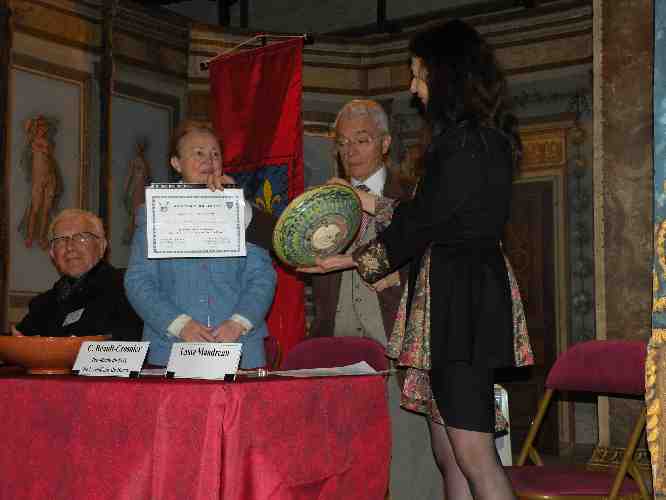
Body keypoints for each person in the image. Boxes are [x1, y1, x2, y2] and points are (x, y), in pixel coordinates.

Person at [300, 20, 523, 499]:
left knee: (474, 456)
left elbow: (424, 223)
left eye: (418, 74)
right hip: (449, 297)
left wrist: (353, 261)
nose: (413, 86)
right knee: (450, 457)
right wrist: (374, 207)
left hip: (461, 303)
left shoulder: (465, 142)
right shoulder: (474, 139)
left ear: (446, 75)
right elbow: (432, 213)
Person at [310, 99, 444, 499]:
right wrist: (235, 207)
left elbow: (438, 261)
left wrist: (396, 283)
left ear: (385, 143)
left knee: (411, 466)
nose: (350, 151)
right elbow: (288, 243)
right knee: (341, 465)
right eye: (342, 142)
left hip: (396, 349)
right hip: (337, 351)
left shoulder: (414, 195)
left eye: (362, 140)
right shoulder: (322, 201)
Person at [124, 120, 276, 369]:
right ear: (176, 163)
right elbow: (138, 281)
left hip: (241, 349)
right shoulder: (152, 213)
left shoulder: (247, 213)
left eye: (216, 154)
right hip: (170, 349)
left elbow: (262, 277)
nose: (210, 160)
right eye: (199, 153)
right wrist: (180, 325)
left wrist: (238, 323)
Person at [12, 208, 143, 341]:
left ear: (102, 246)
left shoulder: (127, 288)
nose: (70, 247)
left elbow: (132, 343)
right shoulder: (42, 305)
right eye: (61, 240)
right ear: (52, 253)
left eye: (81, 237)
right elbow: (19, 340)